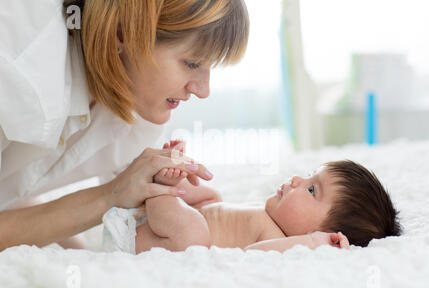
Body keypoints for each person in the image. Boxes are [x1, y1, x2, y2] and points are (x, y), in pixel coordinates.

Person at [0, 0, 249, 251]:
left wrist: (78, 253)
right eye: (192, 63)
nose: (203, 90)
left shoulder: (138, 103)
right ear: (123, 32)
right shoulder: (17, 66)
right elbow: (121, 193)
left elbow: (10, 192)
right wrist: (108, 197)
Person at [102, 146, 402, 254]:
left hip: (147, 242)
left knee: (194, 238)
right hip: (147, 223)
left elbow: (254, 255)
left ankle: (162, 187)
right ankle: (172, 177)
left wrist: (313, 244)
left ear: (323, 232)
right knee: (212, 196)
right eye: (310, 176)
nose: (297, 181)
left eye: (312, 190)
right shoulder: (268, 215)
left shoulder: (275, 239)